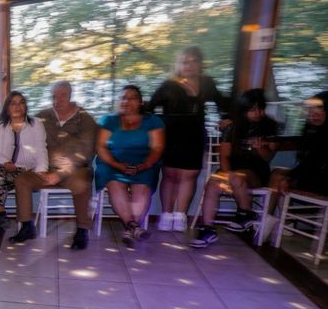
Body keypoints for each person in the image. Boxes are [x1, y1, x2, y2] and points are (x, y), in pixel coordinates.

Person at [147, 46, 231, 232]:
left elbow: (222, 102)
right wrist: (160, 125)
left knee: (189, 174)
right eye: (185, 61)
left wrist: (226, 117)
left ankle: (181, 216)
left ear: (200, 64)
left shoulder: (207, 83)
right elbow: (149, 108)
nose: (189, 65)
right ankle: (166, 215)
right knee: (170, 174)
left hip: (195, 133)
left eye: (194, 61)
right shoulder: (168, 84)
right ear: (178, 64)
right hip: (171, 134)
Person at [190, 88, 278, 248]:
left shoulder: (270, 126)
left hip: (256, 172)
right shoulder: (232, 127)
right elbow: (223, 156)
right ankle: (208, 229)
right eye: (252, 110)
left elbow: (268, 157)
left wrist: (259, 148)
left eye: (260, 109)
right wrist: (227, 174)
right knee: (213, 183)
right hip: (230, 169)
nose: (257, 113)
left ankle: (245, 213)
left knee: (238, 177)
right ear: (244, 110)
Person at [93, 85, 166, 246]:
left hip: (144, 164)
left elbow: (157, 148)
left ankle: (130, 227)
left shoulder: (153, 121)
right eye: (123, 97)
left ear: (141, 102)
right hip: (112, 164)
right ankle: (134, 226)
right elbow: (100, 147)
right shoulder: (108, 120)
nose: (126, 101)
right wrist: (117, 165)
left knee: (142, 187)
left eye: (132, 97)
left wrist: (144, 165)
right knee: (115, 184)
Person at [32, 81, 98, 249]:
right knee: (22, 180)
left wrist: (60, 174)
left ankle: (82, 230)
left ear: (70, 96)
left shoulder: (85, 119)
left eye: (62, 96)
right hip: (46, 168)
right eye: (54, 96)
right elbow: (27, 136)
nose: (57, 100)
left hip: (76, 169)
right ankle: (26, 226)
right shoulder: (42, 116)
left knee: (81, 185)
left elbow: (84, 151)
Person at [0, 91, 47, 241]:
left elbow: (41, 148)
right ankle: (1, 215)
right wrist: (6, 162)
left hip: (24, 171)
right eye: (13, 103)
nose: (17, 106)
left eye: (21, 102)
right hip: (1, 167)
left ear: (25, 106)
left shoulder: (35, 124)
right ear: (7, 108)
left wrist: (41, 171)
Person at [269, 91, 328, 205]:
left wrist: (290, 178)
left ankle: (279, 220)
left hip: (323, 183)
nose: (314, 114)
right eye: (311, 110)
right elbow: (309, 163)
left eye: (320, 109)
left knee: (280, 180)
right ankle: (274, 219)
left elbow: (316, 165)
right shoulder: (313, 133)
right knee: (277, 174)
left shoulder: (324, 136)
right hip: (314, 176)